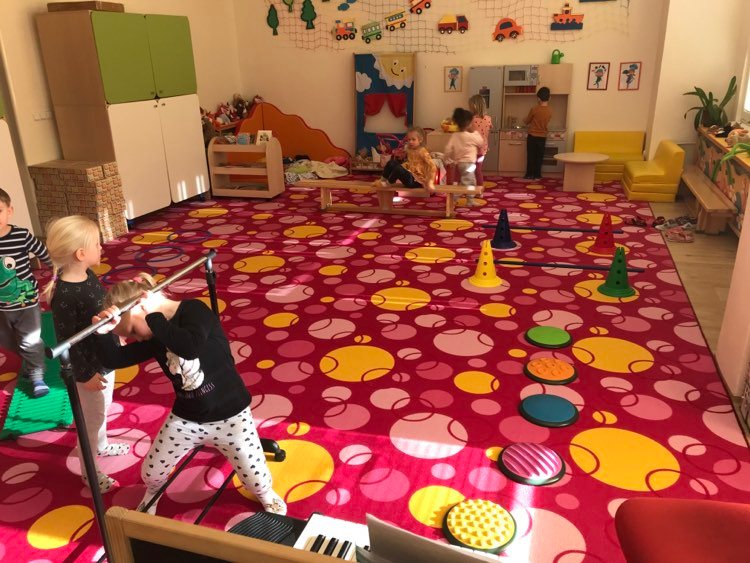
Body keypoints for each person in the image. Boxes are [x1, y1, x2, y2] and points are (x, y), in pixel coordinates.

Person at [93, 274, 287, 516]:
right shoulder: (154, 333)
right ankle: (153, 493)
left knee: (256, 481)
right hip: (188, 417)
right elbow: (115, 359)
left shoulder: (194, 310)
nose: (138, 338)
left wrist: (153, 316)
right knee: (151, 473)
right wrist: (102, 333)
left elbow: (189, 347)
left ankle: (265, 493)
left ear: (141, 307)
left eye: (133, 330)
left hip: (231, 413)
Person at [43, 215, 129, 493]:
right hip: (88, 369)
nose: (101, 247)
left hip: (103, 356)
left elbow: (99, 310)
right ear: (80, 254)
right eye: (96, 243)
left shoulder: (88, 275)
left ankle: (101, 445)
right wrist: (85, 374)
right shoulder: (65, 295)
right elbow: (67, 341)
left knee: (102, 409)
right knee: (91, 420)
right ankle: (89, 472)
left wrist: (115, 333)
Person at [0, 188, 51, 398]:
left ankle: (37, 375)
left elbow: (44, 253)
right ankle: (31, 358)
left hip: (26, 302)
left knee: (28, 340)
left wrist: (60, 271)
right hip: (1, 308)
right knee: (7, 342)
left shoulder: (21, 235)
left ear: (9, 211)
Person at [374, 126, 437, 193]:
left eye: (413, 139)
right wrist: (401, 155)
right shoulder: (409, 149)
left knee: (398, 169)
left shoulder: (422, 151)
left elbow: (432, 167)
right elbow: (405, 158)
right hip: (409, 174)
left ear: (420, 140)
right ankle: (382, 180)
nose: (410, 142)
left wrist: (430, 182)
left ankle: (388, 184)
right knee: (391, 163)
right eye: (409, 140)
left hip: (415, 181)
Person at [444, 108, 485, 206]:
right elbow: (481, 142)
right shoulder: (470, 136)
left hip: (460, 163)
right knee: (468, 182)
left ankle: (467, 200)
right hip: (469, 164)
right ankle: (455, 199)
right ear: (468, 123)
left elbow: (448, 149)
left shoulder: (455, 135)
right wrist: (475, 132)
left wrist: (447, 159)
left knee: (468, 181)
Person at [523, 86, 552, 181]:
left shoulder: (534, 109)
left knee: (531, 156)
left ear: (538, 98)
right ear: (549, 97)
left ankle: (529, 175)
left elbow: (527, 121)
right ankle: (537, 175)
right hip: (542, 137)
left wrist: (524, 120)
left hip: (532, 136)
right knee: (539, 157)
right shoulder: (550, 110)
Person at [468, 94, 493, 188]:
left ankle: (476, 189)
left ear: (474, 106)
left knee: (473, 170)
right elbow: (488, 131)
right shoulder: (488, 118)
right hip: (483, 149)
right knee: (477, 169)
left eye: (470, 106)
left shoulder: (471, 120)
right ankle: (477, 189)